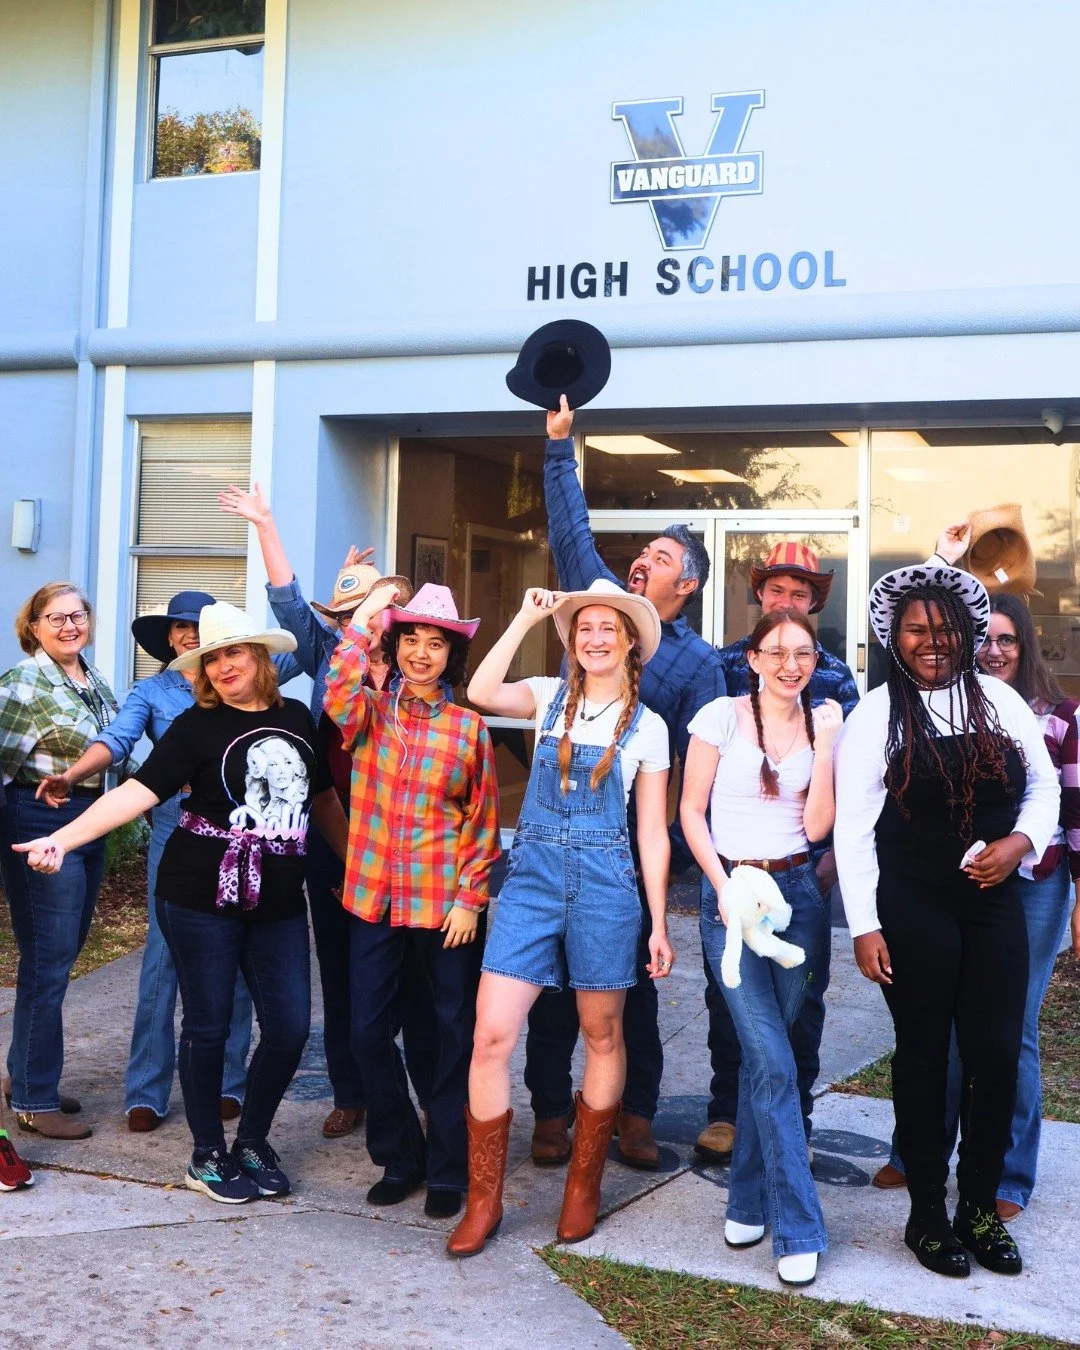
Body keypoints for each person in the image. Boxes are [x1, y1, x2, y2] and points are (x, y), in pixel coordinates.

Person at [14, 602, 349, 1204]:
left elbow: (321, 800)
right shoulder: (195, 726)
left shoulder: (298, 717)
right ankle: (207, 1155)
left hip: (276, 899)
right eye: (211, 658)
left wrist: (356, 865)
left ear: (261, 658)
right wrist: (62, 839)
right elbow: (137, 794)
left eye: (233, 653)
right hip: (198, 894)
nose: (222, 666)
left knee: (291, 1025)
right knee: (208, 1024)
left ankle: (251, 1140)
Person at [834, 562, 1059, 1277]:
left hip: (994, 904)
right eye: (916, 630)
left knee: (995, 1056)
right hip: (912, 904)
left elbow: (1045, 786)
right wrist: (865, 925)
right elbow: (852, 828)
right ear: (894, 638)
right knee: (926, 1058)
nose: (932, 641)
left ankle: (980, 1209)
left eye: (944, 629)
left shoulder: (999, 700)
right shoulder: (877, 714)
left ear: (965, 634)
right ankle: (928, 1214)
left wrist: (1020, 844)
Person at [449, 580, 674, 1256]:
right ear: (573, 640)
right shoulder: (548, 697)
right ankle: (483, 1200)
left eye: (610, 628)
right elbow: (483, 692)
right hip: (533, 882)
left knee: (601, 1035)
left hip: (609, 887)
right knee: (491, 1034)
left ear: (631, 642)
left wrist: (659, 923)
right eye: (585, 628)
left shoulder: (652, 727)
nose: (596, 637)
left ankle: (583, 1186)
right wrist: (523, 616)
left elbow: (654, 834)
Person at [529, 395, 725, 1171]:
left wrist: (669, 858)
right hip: (557, 838)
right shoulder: (603, 608)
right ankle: (549, 1113)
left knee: (632, 994)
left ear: (689, 586)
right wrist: (558, 447)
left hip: (629, 851)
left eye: (665, 558)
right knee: (550, 987)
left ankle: (632, 1118)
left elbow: (697, 771)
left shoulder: (701, 665)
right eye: (644, 549)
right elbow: (570, 528)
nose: (645, 560)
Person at [33, 591, 304, 1131]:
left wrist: (352, 594)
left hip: (254, 844)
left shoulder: (262, 688)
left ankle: (230, 1080)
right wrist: (74, 775)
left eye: (199, 629)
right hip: (176, 832)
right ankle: (147, 1089)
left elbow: (314, 643)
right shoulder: (153, 692)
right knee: (163, 959)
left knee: (244, 965)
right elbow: (119, 743)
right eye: (180, 629)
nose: (189, 636)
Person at [219, 482, 434, 1143]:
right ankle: (354, 1092)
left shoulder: (421, 673)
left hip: (406, 850)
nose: (368, 623)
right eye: (356, 613)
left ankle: (411, 1093)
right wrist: (265, 524)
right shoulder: (327, 659)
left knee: (411, 978)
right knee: (340, 970)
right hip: (333, 842)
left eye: (381, 610)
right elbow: (286, 598)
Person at [872, 592, 1080, 1218]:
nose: (993, 649)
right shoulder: (913, 708)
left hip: (1032, 886)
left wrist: (1033, 860)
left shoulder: (1052, 714)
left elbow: (1070, 811)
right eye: (986, 638)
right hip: (946, 895)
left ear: (1026, 648)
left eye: (1006, 640)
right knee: (940, 1032)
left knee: (1007, 1033)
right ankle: (922, 1154)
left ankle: (1006, 1178)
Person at [324, 581, 500, 1219]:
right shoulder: (367, 715)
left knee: (450, 1034)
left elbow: (480, 822)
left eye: (435, 644)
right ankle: (403, 1154)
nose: (422, 654)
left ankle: (450, 1167)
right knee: (368, 1032)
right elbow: (336, 690)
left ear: (451, 655)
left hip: (444, 907)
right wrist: (366, 621)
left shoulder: (467, 729)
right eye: (411, 641)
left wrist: (471, 898)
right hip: (373, 899)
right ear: (395, 646)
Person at [682, 607, 842, 1287]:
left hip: (799, 901)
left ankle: (747, 1197)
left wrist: (829, 744)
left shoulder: (823, 720)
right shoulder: (719, 716)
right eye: (775, 651)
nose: (789, 664)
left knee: (766, 1060)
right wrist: (718, 886)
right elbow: (690, 810)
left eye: (802, 652)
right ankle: (799, 1223)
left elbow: (816, 824)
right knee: (772, 1057)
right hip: (731, 901)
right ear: (752, 657)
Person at [701, 542, 857, 1165]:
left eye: (800, 593)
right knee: (728, 994)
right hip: (734, 869)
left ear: (814, 603)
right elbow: (700, 779)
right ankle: (726, 1111)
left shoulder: (837, 680)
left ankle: (797, 1113)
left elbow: (847, 775)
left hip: (801, 870)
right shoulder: (723, 669)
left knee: (802, 1004)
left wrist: (824, 869)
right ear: (759, 595)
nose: (786, 600)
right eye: (776, 590)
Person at [0, 582, 120, 1140]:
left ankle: (24, 1073)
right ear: (34, 626)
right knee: (48, 960)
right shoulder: (24, 682)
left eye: (77, 615)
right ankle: (33, 1097)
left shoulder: (89, 679)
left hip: (88, 819)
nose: (69, 625)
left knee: (59, 954)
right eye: (55, 618)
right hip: (39, 821)